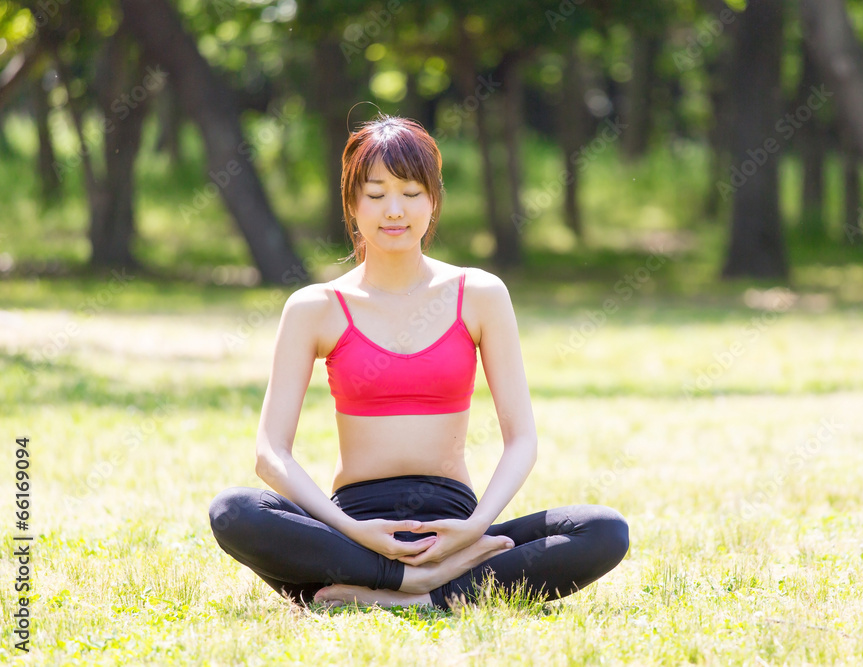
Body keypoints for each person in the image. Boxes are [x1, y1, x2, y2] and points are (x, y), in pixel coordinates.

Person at [208, 113, 629, 611]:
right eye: (377, 192)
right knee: (234, 511)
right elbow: (270, 455)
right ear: (351, 201)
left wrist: (474, 529)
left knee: (603, 530)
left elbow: (522, 440)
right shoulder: (315, 306)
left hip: (454, 528)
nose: (394, 210)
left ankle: (394, 594)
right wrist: (353, 533)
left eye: (411, 192)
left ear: (434, 199)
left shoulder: (478, 294)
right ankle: (414, 586)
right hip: (353, 531)